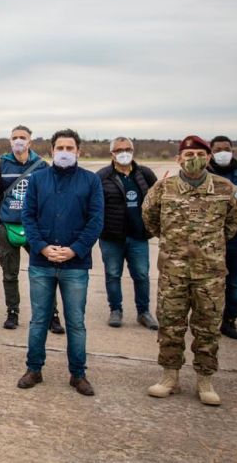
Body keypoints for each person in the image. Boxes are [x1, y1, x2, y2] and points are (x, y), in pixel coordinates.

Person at [144, 135, 237, 406]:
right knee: (170, 325)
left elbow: (234, 221)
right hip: (173, 273)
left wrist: (209, 246)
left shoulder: (225, 188)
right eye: (187, 155)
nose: (193, 159)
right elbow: (150, 218)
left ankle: (205, 380)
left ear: (208, 157)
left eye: (199, 154)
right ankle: (169, 377)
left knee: (208, 328)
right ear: (178, 159)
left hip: (210, 274)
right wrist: (173, 244)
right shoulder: (163, 188)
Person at [16, 129, 103, 396]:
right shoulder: (38, 179)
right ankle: (34, 369)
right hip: (42, 264)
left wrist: (74, 250)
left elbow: (96, 220)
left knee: (75, 321)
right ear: (51, 151)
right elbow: (28, 218)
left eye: (70, 148)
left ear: (79, 151)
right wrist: (42, 248)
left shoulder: (90, 181)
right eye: (60, 148)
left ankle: (78, 374)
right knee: (39, 319)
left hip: (75, 265)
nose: (64, 152)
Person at [0, 125, 63, 333]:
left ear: (30, 141)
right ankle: (12, 312)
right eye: (15, 137)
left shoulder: (41, 166)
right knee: (9, 274)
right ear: (10, 141)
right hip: (7, 227)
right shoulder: (2, 165)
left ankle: (52, 315)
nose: (18, 141)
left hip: (35, 230)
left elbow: (51, 197)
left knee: (44, 273)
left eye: (23, 137)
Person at [96, 137, 158, 329]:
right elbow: (95, 206)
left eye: (128, 149)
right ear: (112, 153)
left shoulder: (145, 174)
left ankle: (144, 312)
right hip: (111, 237)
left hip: (138, 236)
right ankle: (116, 310)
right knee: (113, 275)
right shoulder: (102, 176)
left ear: (133, 151)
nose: (124, 152)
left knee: (141, 275)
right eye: (119, 149)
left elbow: (156, 199)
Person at [207, 135, 237, 340]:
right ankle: (207, 320)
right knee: (206, 283)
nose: (222, 152)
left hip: (236, 240)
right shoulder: (202, 175)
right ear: (211, 152)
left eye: (226, 148)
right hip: (207, 240)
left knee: (234, 282)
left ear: (232, 151)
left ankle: (229, 320)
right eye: (217, 149)